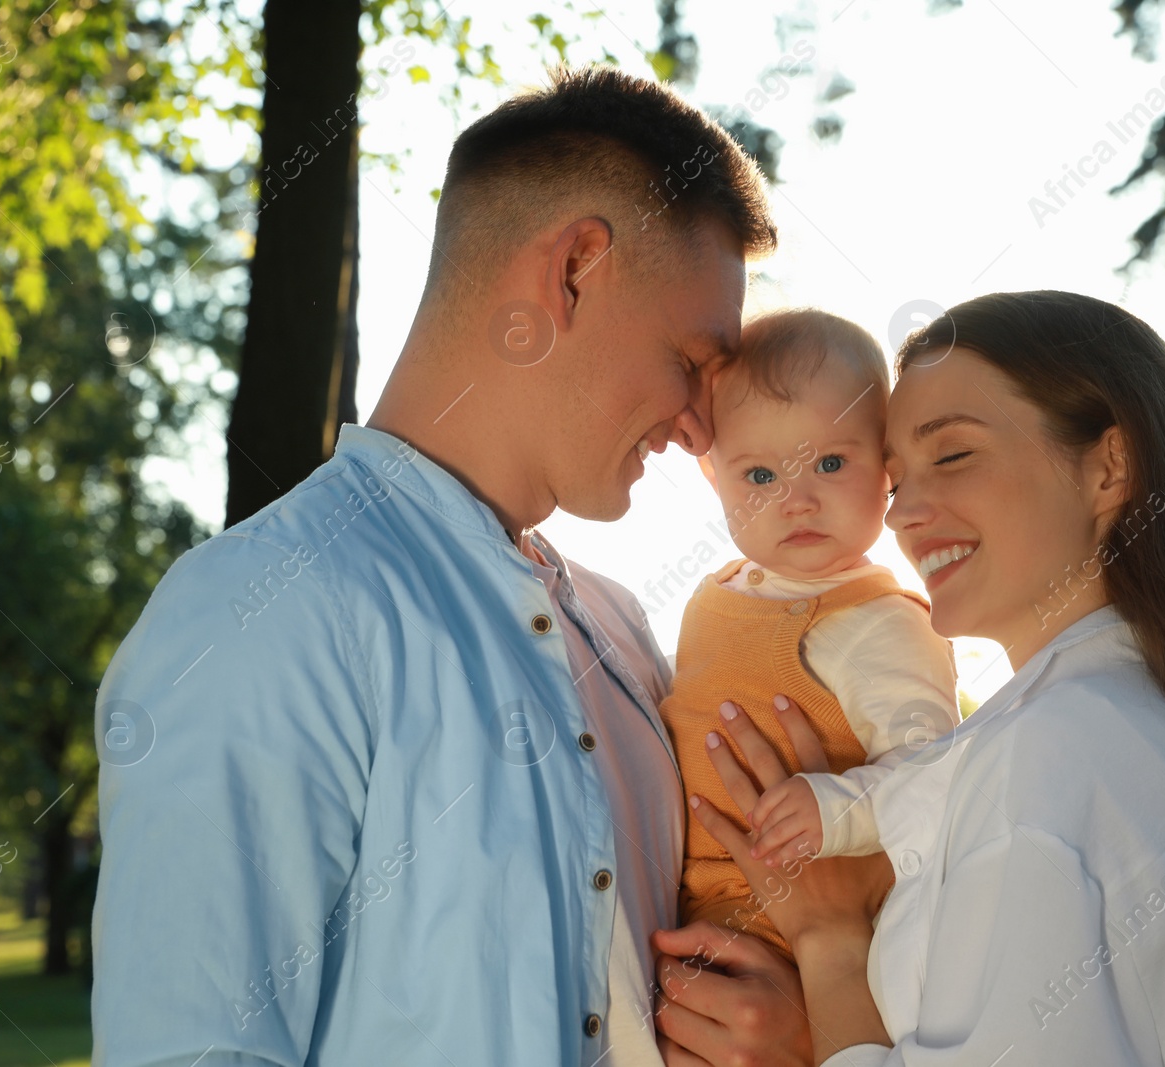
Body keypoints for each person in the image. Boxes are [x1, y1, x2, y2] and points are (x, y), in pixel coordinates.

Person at [91, 66, 810, 1065]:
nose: (700, 425)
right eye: (691, 359)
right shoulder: (263, 613)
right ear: (572, 270)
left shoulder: (628, 638)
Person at [666, 291, 1165, 1066]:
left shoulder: (1047, 758)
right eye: (898, 480)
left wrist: (826, 941)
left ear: (1109, 466)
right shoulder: (1139, 723)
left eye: (953, 454)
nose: (903, 514)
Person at [659, 308, 958, 959]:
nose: (795, 499)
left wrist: (837, 807)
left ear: (886, 466)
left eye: (829, 462)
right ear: (715, 477)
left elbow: (937, 775)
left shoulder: (880, 621)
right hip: (683, 913)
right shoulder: (714, 595)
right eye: (761, 476)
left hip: (802, 940)